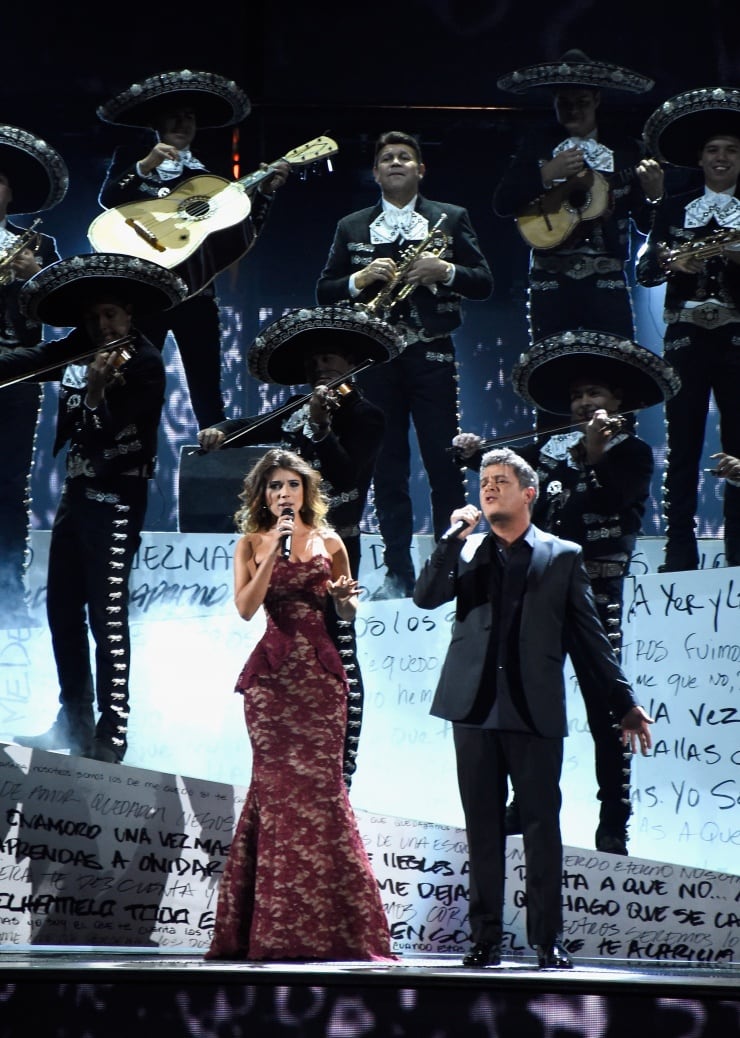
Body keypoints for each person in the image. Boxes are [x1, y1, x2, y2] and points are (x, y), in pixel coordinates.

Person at [413, 446, 654, 969]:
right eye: (484, 480)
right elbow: (425, 597)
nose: (489, 487)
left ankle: (548, 941)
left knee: (544, 825)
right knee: (482, 826)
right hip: (472, 708)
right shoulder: (468, 549)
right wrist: (451, 539)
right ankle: (485, 940)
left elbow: (591, 640)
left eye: (500, 479)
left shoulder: (561, 555)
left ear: (529, 493)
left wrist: (625, 703)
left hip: (533, 708)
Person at [453, 330, 680, 854]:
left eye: (595, 394)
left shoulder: (634, 453)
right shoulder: (548, 448)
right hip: (537, 592)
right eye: (578, 395)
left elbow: (597, 505)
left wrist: (594, 453)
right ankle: (521, 807)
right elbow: (502, 473)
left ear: (618, 402)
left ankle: (613, 823)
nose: (583, 403)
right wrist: (472, 455)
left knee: (608, 710)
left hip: (597, 594)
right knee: (525, 702)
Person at [198, 304, 400, 786]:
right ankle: (292, 748)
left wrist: (323, 429)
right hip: (287, 549)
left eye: (329, 362)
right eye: (313, 366)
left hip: (333, 549)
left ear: (351, 365)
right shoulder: (295, 413)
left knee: (340, 651)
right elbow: (256, 423)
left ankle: (342, 764)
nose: (320, 371)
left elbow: (349, 474)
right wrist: (222, 431)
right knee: (285, 644)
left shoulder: (367, 416)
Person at [205, 448, 394, 961]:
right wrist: (273, 553)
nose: (283, 494)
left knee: (321, 792)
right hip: (271, 679)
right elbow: (246, 609)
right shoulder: (251, 542)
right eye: (274, 487)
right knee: (274, 791)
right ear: (262, 495)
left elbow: (348, 611)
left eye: (291, 485)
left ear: (306, 491)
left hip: (319, 676)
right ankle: (268, 929)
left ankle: (339, 929)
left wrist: (345, 599)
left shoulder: (330, 541)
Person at [5, 253, 188, 763]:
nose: (102, 326)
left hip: (118, 500)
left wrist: (98, 389)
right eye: (94, 318)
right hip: (76, 498)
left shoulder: (147, 363)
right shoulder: (81, 350)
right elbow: (30, 360)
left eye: (111, 315)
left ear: (129, 315)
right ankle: (73, 721)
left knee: (106, 619)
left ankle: (113, 732)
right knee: (61, 611)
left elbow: (116, 436)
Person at [316, 129, 493, 598]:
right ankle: (397, 573)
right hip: (375, 356)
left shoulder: (450, 218)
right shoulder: (352, 226)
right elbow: (324, 291)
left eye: (405, 157)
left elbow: (485, 282)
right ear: (375, 173)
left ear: (420, 169)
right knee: (385, 465)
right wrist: (359, 278)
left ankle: (450, 570)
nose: (396, 163)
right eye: (387, 158)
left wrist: (446, 271)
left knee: (443, 462)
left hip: (432, 352)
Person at [95, 70, 288, 429]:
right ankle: (125, 466)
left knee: (206, 391)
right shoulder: (132, 157)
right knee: (133, 382)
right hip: (142, 294)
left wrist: (265, 194)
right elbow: (110, 199)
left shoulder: (212, 174)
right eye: (174, 114)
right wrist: (147, 164)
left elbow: (243, 232)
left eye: (190, 116)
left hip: (196, 294)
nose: (182, 122)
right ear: (156, 121)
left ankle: (212, 465)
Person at [494, 50, 663, 346]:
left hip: (606, 277)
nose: (573, 110)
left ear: (597, 100)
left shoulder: (627, 150)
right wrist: (545, 174)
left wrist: (654, 196)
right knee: (550, 364)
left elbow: (648, 226)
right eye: (564, 103)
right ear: (554, 103)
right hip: (550, 278)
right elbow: (502, 204)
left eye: (581, 102)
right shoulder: (537, 143)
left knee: (615, 362)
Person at [638, 87, 740, 571]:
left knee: (739, 448)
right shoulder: (675, 206)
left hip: (737, 335)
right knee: (682, 446)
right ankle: (679, 554)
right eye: (713, 150)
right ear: (700, 159)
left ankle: (739, 554)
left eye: (731, 150)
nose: (721, 158)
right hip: (684, 333)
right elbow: (644, 272)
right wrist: (670, 262)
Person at [0, 124, 67, 628]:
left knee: (9, 484)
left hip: (17, 378)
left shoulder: (36, 242)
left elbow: (70, 312)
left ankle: (9, 591)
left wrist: (35, 278)